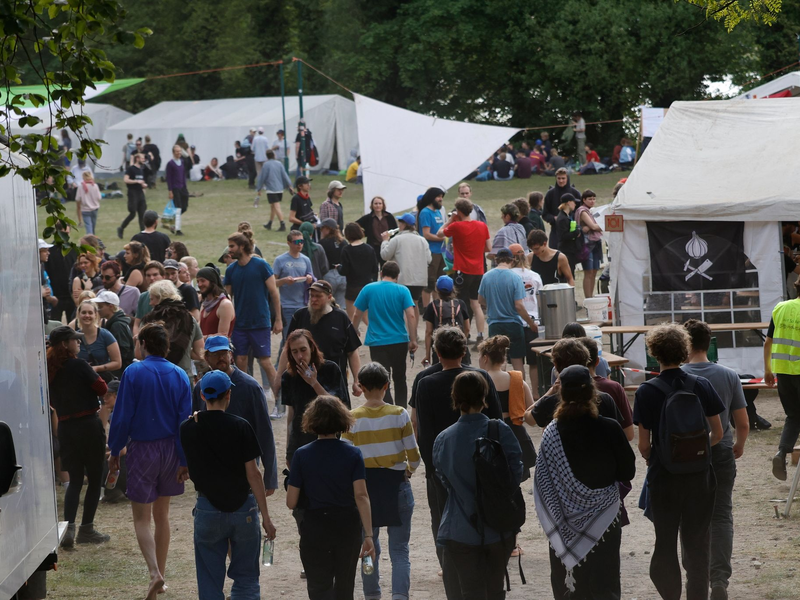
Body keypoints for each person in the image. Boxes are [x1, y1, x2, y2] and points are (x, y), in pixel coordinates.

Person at [633, 324, 724, 600]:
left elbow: (644, 445)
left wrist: (665, 455)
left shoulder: (646, 391)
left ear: (654, 353)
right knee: (698, 544)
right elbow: (718, 433)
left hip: (664, 478)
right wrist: (695, 451)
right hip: (699, 477)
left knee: (665, 543)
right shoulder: (702, 385)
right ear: (685, 352)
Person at [411, 327, 503, 589]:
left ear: (437, 352)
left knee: (445, 523)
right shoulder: (481, 377)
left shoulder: (425, 382)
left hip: (444, 467)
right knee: (484, 518)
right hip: (482, 466)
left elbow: (425, 434)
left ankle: (453, 578)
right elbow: (496, 423)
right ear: (464, 351)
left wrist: (432, 471)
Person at [534, 364, 635, 600]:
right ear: (592, 392)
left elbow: (543, 482)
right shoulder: (609, 428)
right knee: (605, 583)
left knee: (570, 586)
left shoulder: (551, 434)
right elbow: (627, 471)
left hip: (563, 521)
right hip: (605, 519)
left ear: (562, 394)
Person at [108, 322, 192, 600]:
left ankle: (154, 573)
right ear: (166, 347)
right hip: (171, 449)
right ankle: (161, 577)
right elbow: (184, 422)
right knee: (162, 516)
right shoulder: (180, 374)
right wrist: (184, 459)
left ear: (143, 344)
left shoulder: (133, 372)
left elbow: (121, 417)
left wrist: (114, 451)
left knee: (141, 519)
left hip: (143, 449)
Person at [181, 369, 277, 600]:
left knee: (209, 581)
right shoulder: (241, 426)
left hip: (207, 508)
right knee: (246, 578)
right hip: (242, 507)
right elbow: (253, 475)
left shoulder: (188, 428)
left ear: (202, 396)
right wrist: (266, 517)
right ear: (229, 395)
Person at [433, 370, 522, 599]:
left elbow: (442, 478)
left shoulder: (444, 439)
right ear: (485, 396)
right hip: (498, 526)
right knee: (495, 588)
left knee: (470, 590)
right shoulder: (499, 429)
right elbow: (516, 470)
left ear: (455, 398)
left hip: (460, 527)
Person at [341, 363, 420, 600]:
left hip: (364, 489)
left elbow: (346, 456)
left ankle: (371, 594)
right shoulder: (399, 414)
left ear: (361, 387)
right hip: (396, 485)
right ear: (387, 386)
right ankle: (399, 595)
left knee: (368, 546)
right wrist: (407, 472)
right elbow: (414, 456)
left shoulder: (352, 418)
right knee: (399, 549)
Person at [683, 320, 748, 600]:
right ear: (709, 343)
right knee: (721, 514)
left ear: (685, 343)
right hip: (721, 449)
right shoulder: (728, 375)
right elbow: (742, 422)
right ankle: (719, 578)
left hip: (686, 454)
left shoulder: (678, 375)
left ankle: (695, 575)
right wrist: (739, 445)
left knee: (690, 516)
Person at [286, 396, 375, 600]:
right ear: (342, 421)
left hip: (315, 526)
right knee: (345, 586)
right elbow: (361, 495)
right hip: (347, 526)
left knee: (318, 587)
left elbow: (291, 502)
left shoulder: (301, 455)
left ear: (311, 421)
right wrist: (368, 535)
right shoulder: (353, 454)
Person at [47, 326, 110, 548]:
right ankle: (87, 530)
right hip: (88, 426)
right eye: (75, 340)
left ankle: (68, 529)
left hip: (66, 427)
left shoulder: (49, 369)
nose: (79, 343)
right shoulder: (80, 365)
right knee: (94, 478)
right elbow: (102, 388)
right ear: (65, 344)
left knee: (74, 480)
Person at [191, 336, 278, 493]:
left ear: (230, 354)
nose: (221, 358)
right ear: (206, 357)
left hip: (244, 470)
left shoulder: (250, 387)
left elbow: (264, 433)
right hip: (211, 471)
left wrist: (270, 478)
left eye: (224, 353)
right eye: (216, 354)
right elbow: (196, 429)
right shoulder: (201, 388)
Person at [281, 329, 350, 467]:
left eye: (303, 350)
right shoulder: (288, 377)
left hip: (328, 437)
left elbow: (340, 406)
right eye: (295, 352)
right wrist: (289, 449)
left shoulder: (330, 369)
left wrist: (314, 383)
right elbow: (292, 414)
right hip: (300, 440)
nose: (300, 356)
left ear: (312, 348)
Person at [224, 232, 283, 393]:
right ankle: (245, 398)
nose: (229, 250)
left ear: (242, 246)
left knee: (265, 361)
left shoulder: (261, 265)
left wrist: (278, 319)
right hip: (240, 324)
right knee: (240, 360)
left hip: (260, 322)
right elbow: (226, 298)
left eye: (232, 246)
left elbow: (274, 293)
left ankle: (281, 400)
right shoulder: (231, 270)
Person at [353, 261, 417, 408]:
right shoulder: (403, 290)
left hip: (377, 341)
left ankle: (387, 408)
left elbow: (357, 313)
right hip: (399, 340)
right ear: (397, 276)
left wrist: (355, 329)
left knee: (382, 378)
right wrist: (412, 339)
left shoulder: (368, 289)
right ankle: (401, 409)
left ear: (381, 273)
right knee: (400, 377)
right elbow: (411, 315)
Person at [284, 280, 362, 394]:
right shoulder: (300, 316)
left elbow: (352, 351)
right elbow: (287, 349)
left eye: (318, 296)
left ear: (329, 297)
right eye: (312, 296)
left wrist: (357, 380)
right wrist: (278, 378)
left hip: (335, 383)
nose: (314, 299)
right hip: (303, 381)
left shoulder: (341, 318)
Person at [478, 248, 538, 375]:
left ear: (496, 260)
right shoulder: (515, 278)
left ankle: (499, 391)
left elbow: (481, 300)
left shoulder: (486, 276)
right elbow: (519, 306)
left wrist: (494, 303)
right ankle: (520, 390)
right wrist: (530, 323)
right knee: (517, 363)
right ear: (512, 260)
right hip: (513, 324)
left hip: (495, 324)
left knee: (498, 362)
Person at [764, 280, 800, 480]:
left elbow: (768, 342)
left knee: (794, 416)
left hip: (783, 372)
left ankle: (781, 452)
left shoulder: (780, 308)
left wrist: (768, 370)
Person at [442, 197, 490, 344]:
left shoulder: (456, 227)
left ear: (458, 211)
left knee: (459, 303)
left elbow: (440, 233)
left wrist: (451, 221)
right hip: (478, 270)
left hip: (462, 270)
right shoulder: (482, 226)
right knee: (475, 303)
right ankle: (481, 334)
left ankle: (463, 334)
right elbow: (488, 248)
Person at [140, 280, 204, 380]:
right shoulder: (189, 319)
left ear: (159, 298)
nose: (150, 303)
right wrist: (185, 350)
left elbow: (139, 354)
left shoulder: (149, 321)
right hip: (183, 377)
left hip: (155, 377)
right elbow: (200, 353)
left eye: (152, 299)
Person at [380, 212, 431, 321]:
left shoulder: (397, 239)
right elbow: (429, 259)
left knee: (401, 306)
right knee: (414, 304)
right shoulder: (422, 240)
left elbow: (385, 255)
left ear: (404, 224)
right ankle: (414, 331)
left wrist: (385, 242)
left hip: (402, 278)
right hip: (419, 280)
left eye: (400, 222)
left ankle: (404, 331)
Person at [509, 244, 543, 385]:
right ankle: (535, 394)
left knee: (517, 364)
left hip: (515, 321)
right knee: (533, 363)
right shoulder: (535, 276)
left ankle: (521, 394)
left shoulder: (509, 276)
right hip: (533, 322)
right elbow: (540, 299)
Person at [274, 230, 315, 342]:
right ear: (289, 243)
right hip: (287, 305)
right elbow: (273, 282)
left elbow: (312, 278)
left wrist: (309, 279)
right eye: (296, 241)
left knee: (304, 338)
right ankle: (281, 360)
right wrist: (284, 280)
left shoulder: (306, 260)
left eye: (302, 241)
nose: (299, 244)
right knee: (288, 339)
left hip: (303, 305)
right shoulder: (280, 260)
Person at [422, 275, 471, 366]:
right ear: (453, 289)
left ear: (437, 289)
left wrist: (427, 355)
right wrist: (462, 342)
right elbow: (467, 328)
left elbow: (428, 332)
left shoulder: (432, 306)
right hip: (459, 348)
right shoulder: (461, 304)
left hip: (440, 349)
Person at [339, 222, 379, 322]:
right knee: (367, 318)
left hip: (352, 287)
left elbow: (344, 271)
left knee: (352, 318)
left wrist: (339, 268)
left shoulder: (346, 250)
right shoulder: (369, 248)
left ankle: (354, 336)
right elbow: (375, 269)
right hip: (367, 285)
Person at [75, 299, 122, 379]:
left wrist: (97, 368)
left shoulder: (105, 335)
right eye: (83, 312)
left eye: (90, 313)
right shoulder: (74, 337)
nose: (87, 315)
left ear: (95, 315)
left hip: (102, 381)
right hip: (80, 381)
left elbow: (117, 363)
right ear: (79, 314)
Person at [91, 290, 135, 374]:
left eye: (100, 306)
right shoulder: (114, 322)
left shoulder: (117, 325)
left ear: (110, 306)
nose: (98, 310)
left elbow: (123, 352)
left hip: (120, 372)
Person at [417, 187, 447, 307]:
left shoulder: (438, 211)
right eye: (438, 197)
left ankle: (437, 307)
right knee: (429, 282)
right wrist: (443, 239)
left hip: (441, 252)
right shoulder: (425, 212)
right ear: (431, 198)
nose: (440, 199)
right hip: (431, 252)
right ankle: (425, 308)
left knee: (439, 283)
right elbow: (426, 234)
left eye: (441, 197)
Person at [575, 189, 604, 299]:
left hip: (596, 242)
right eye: (589, 199)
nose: (592, 201)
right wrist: (606, 225)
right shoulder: (583, 211)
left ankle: (591, 296)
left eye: (593, 199)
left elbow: (594, 226)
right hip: (587, 245)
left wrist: (597, 226)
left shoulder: (593, 211)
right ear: (584, 200)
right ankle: (588, 298)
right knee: (588, 272)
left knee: (594, 272)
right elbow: (593, 226)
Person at [542, 168, 580, 249]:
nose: (561, 181)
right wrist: (554, 218)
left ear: (567, 178)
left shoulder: (575, 193)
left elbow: (580, 211)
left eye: (563, 178)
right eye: (559, 178)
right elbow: (545, 214)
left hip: (572, 231)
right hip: (556, 231)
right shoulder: (550, 194)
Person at [256, 150, 293, 230]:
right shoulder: (279, 164)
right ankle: (270, 223)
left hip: (271, 189)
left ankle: (282, 224)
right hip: (280, 189)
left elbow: (262, 177)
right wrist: (289, 185)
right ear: (274, 155)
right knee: (273, 206)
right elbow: (285, 175)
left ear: (267, 156)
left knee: (276, 206)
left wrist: (259, 188)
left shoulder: (266, 165)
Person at [117, 151, 149, 239]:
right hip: (132, 193)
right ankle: (121, 228)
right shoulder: (131, 169)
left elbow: (141, 182)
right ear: (137, 158)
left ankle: (143, 235)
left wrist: (143, 185)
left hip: (140, 193)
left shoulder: (141, 170)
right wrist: (136, 181)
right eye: (142, 158)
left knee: (142, 215)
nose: (144, 160)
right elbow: (126, 180)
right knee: (132, 213)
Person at [197, 265, 235, 338]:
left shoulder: (224, 304)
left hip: (218, 349)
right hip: (203, 348)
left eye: (202, 280)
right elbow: (199, 329)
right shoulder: (204, 304)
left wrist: (200, 339)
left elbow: (222, 336)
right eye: (198, 281)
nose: (199, 284)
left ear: (212, 281)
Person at [356, 196, 398, 260]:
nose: (378, 205)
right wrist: (363, 233)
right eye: (375, 204)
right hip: (373, 247)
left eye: (380, 203)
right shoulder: (368, 218)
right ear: (372, 205)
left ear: (383, 205)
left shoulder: (389, 217)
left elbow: (396, 230)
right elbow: (355, 225)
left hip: (387, 246)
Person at [318, 219, 348, 307]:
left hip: (329, 275)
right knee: (341, 306)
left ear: (328, 229)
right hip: (342, 275)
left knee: (327, 305)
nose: (321, 231)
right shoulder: (343, 242)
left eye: (322, 228)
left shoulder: (322, 243)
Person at [133, 261, 165, 336]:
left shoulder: (169, 297)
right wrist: (137, 337)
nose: (151, 278)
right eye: (148, 275)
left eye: (155, 275)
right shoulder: (143, 296)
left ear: (163, 276)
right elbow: (137, 323)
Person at [166, 145, 189, 236]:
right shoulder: (170, 164)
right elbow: (169, 178)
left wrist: (185, 187)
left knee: (184, 207)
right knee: (178, 208)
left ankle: (172, 221)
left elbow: (183, 175)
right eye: (177, 151)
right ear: (173, 152)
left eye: (180, 151)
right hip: (175, 188)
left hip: (183, 187)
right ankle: (178, 230)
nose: (179, 153)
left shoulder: (182, 162)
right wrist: (170, 191)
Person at [555, 194, 581, 276]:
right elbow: (563, 236)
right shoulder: (562, 218)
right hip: (566, 250)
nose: (575, 204)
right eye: (574, 202)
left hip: (570, 250)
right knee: (568, 274)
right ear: (568, 203)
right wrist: (576, 232)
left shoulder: (567, 216)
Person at [75, 170, 101, 235]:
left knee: (88, 226)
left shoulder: (81, 187)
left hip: (85, 209)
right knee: (93, 226)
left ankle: (90, 240)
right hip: (94, 209)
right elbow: (99, 197)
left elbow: (77, 199)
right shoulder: (95, 186)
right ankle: (93, 240)